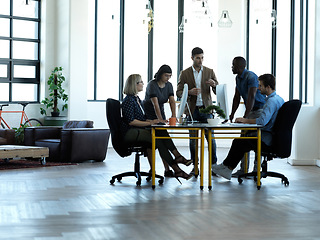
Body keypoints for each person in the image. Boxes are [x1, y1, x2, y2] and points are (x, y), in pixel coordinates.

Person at [121, 74, 192, 183]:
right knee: (158, 141)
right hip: (131, 132)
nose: (143, 84)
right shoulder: (129, 100)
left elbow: (140, 118)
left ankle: (177, 158)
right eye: (140, 82)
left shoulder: (136, 99)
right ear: (134, 84)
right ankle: (177, 167)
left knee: (160, 131)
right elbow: (132, 121)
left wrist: (153, 121)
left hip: (138, 130)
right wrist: (149, 122)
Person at [212, 74, 284, 180]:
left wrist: (245, 120)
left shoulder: (271, 101)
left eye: (260, 86)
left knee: (239, 142)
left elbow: (262, 122)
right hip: (271, 136)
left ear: (268, 87)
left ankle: (226, 168)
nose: (258, 88)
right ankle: (227, 168)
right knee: (241, 141)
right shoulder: (279, 99)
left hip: (266, 138)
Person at [144, 65, 192, 177]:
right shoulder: (152, 85)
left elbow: (172, 101)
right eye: (166, 75)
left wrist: (174, 116)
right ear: (160, 74)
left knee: (162, 140)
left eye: (170, 76)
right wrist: (160, 120)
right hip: (149, 116)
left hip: (160, 114)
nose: (168, 78)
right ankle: (177, 157)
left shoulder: (169, 85)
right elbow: (155, 104)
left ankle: (169, 168)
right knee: (162, 138)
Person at [176, 47, 219, 175]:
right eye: (198, 58)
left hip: (207, 110)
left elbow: (218, 90)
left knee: (211, 139)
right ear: (192, 58)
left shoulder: (210, 72)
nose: (200, 60)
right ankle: (195, 167)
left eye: (202, 58)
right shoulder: (185, 73)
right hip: (192, 110)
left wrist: (214, 85)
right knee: (193, 140)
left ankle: (214, 167)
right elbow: (178, 92)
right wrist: (189, 92)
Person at [229, 57, 266, 177]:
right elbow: (236, 97)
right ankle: (243, 170)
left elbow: (251, 97)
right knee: (243, 140)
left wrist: (245, 117)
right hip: (250, 111)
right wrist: (232, 113)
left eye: (233, 65)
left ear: (240, 67)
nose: (232, 67)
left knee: (256, 141)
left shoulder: (251, 76)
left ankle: (256, 171)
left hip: (259, 110)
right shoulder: (238, 78)